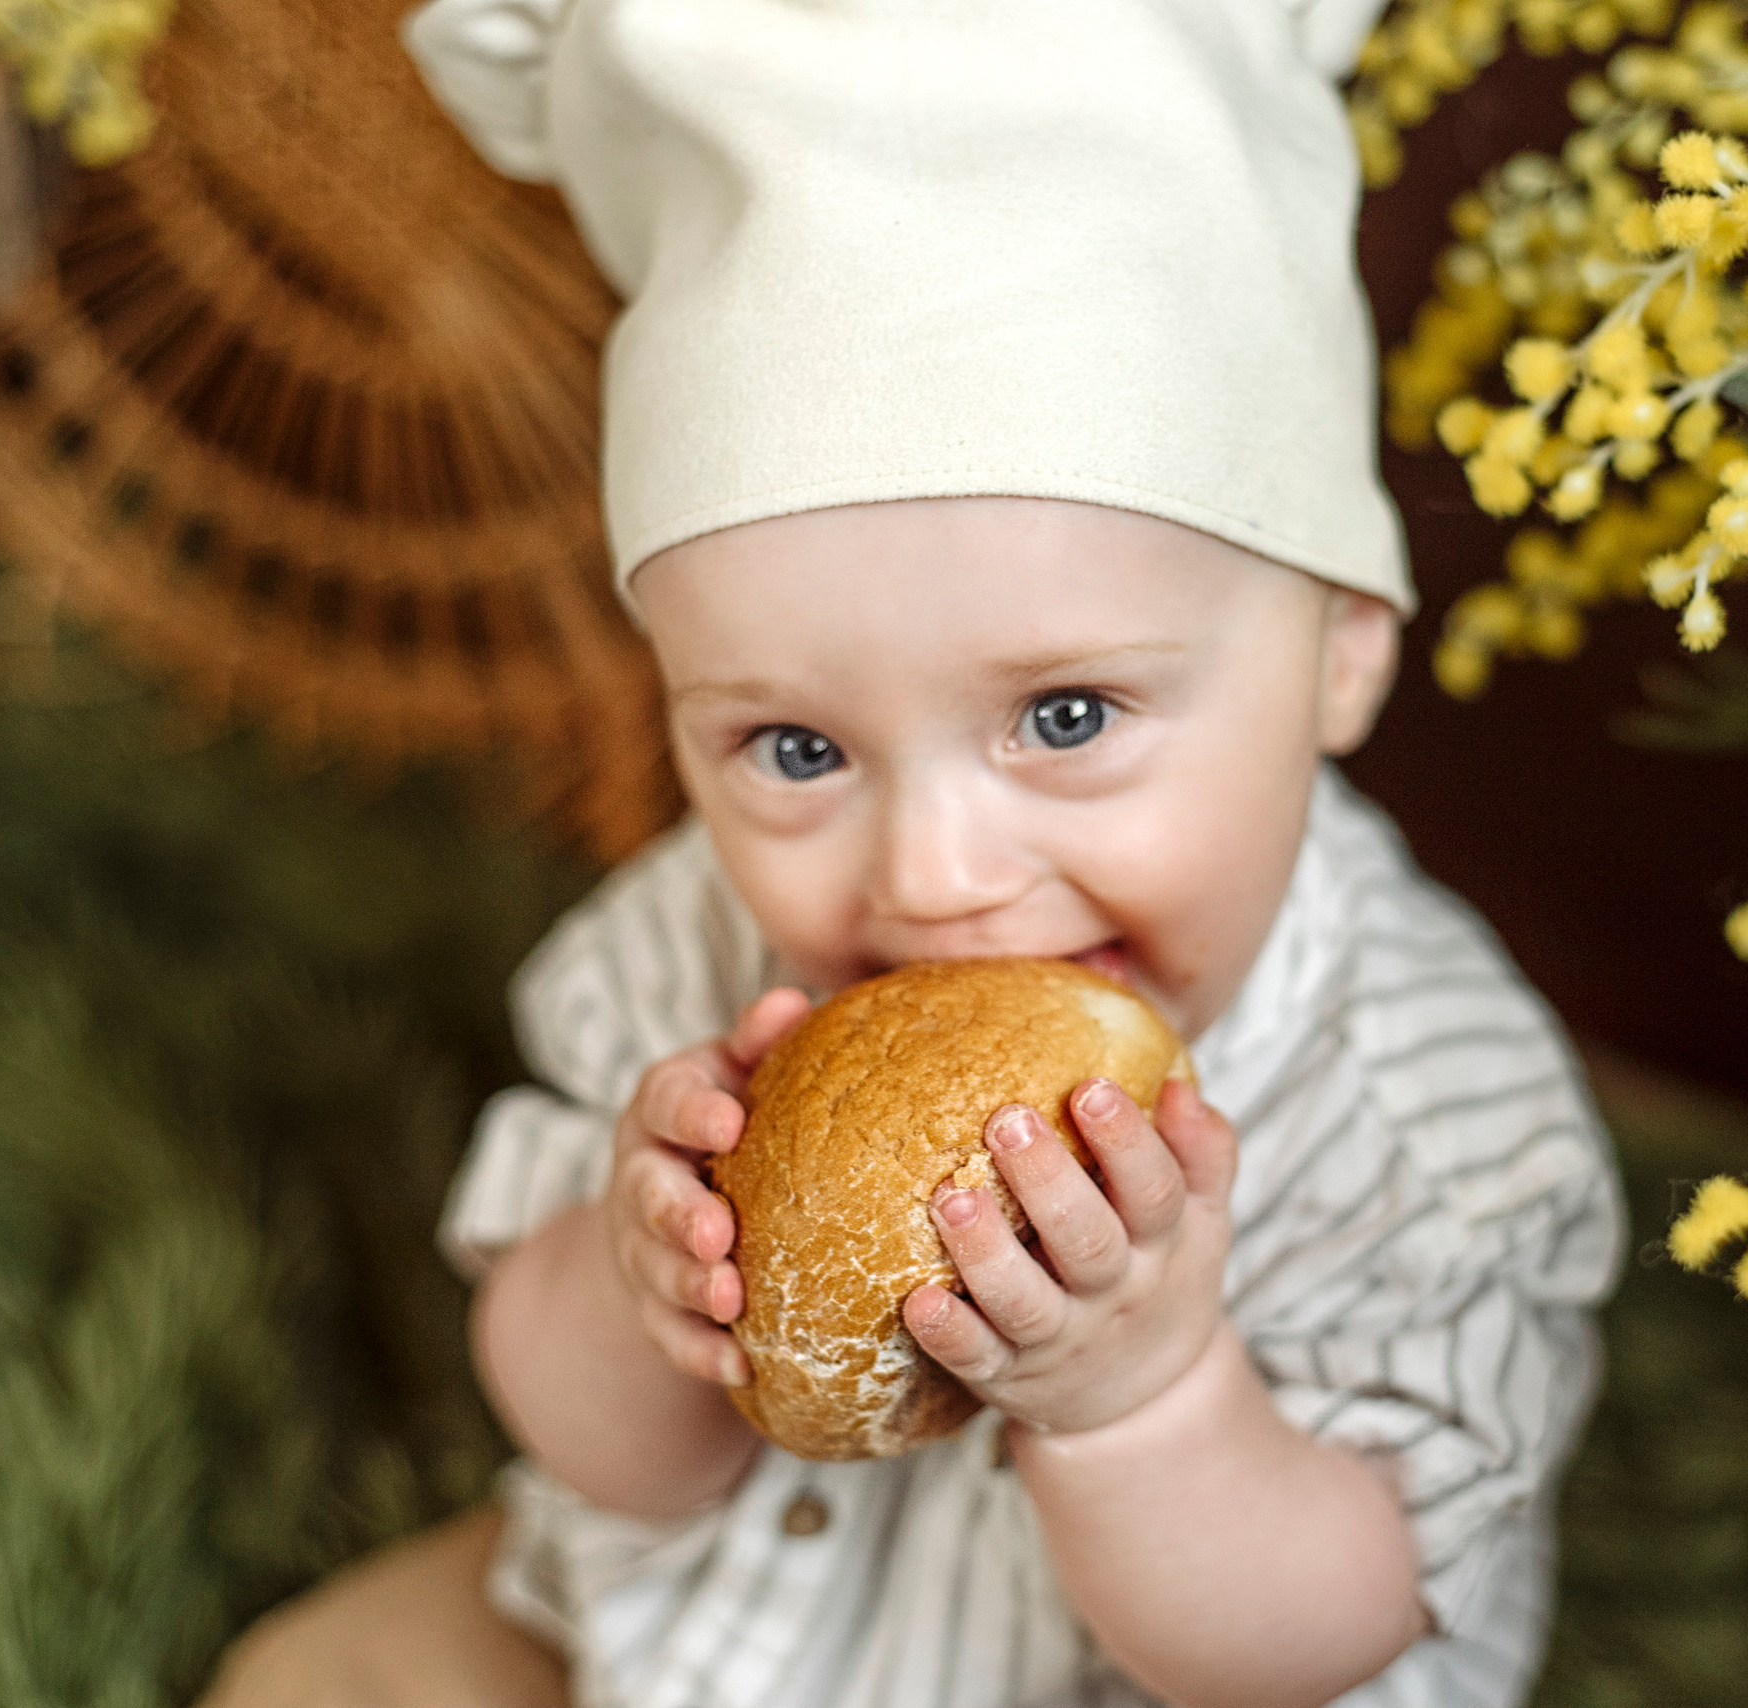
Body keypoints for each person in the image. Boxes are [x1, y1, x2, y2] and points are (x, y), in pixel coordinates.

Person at [202, 3, 1624, 1706]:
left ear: (1341, 647)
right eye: (795, 749)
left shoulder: (1423, 1114)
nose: (938, 876)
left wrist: (1147, 1399)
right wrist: (631, 1288)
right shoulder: (698, 960)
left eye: (1070, 716)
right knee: (317, 1678)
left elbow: (1329, 1634)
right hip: (715, 1632)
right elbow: (612, 1459)